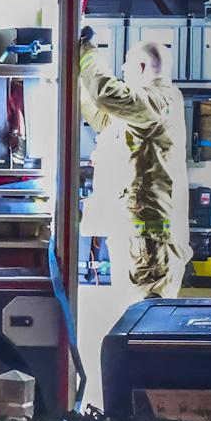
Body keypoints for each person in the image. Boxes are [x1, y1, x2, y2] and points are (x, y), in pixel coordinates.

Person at [77, 31, 189, 299]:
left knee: (145, 322)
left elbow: (105, 94)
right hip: (138, 238)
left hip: (151, 244)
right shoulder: (142, 109)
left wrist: (86, 52)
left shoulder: (160, 102)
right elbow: (102, 117)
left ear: (141, 68)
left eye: (126, 64)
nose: (123, 69)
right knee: (131, 316)